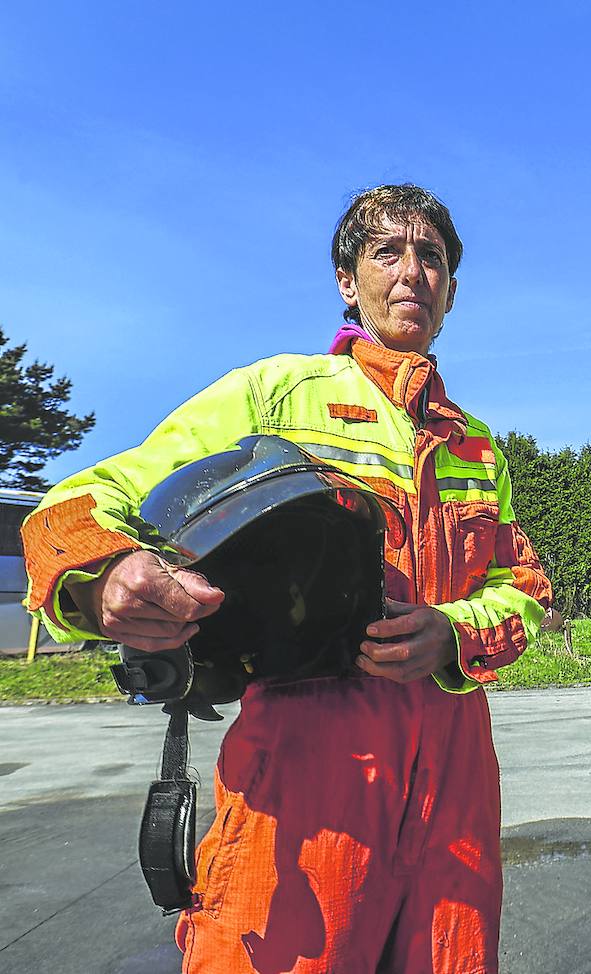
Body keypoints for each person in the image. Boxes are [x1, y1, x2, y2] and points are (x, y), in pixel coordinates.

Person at [21, 184, 551, 973]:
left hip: (456, 783)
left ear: (452, 290)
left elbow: (528, 590)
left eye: (431, 257)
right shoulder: (275, 393)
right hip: (308, 773)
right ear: (348, 281)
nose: (412, 272)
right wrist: (105, 578)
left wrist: (452, 633)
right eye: (387, 252)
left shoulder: (476, 444)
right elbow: (81, 499)